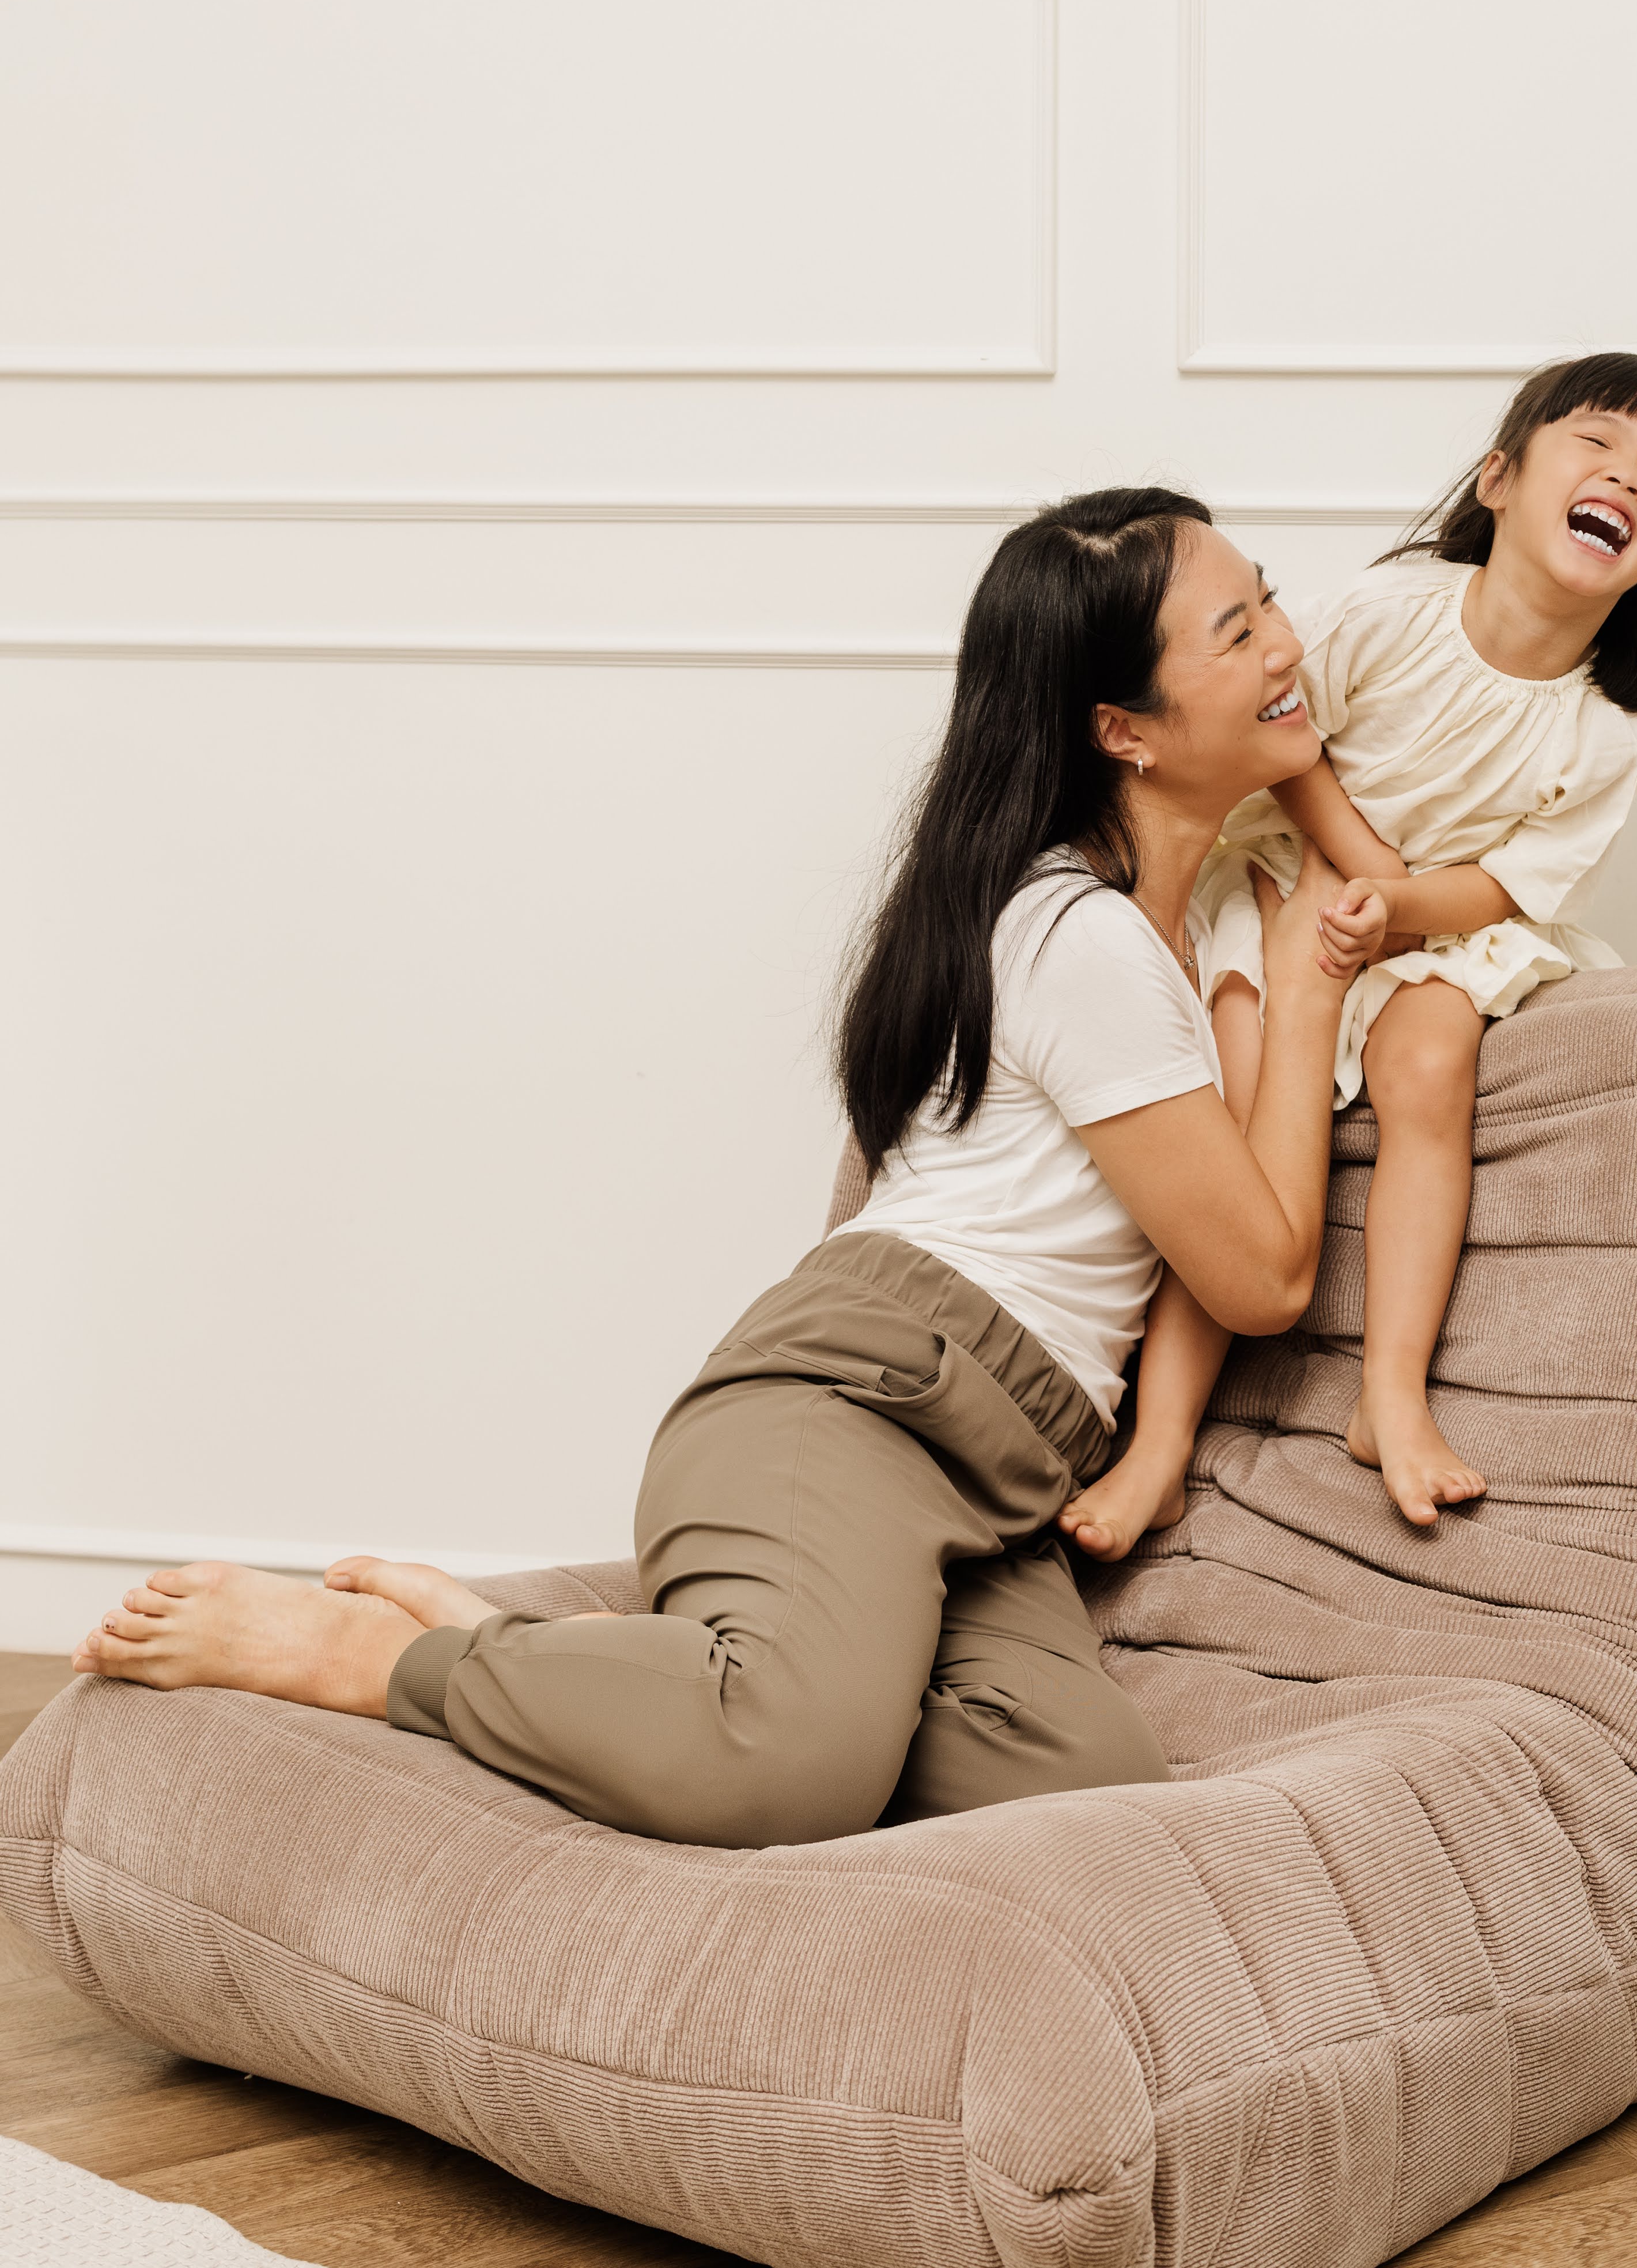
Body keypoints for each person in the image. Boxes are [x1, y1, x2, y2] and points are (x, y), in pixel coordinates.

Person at [72, 489, 1359, 1849]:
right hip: (860, 1397)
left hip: (1002, 1473)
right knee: (788, 1761)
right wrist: (1310, 992)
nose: (1285, 642)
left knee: (1078, 1793)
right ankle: (367, 1656)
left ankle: (615, 1669)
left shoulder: (1164, 927)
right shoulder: (1078, 939)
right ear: (1123, 731)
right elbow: (1262, 1273)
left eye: (1268, 597)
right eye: (1238, 630)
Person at [1060, 354, 1637, 1553]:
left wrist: (1394, 909)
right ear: (1498, 478)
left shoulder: (1605, 727)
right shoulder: (1392, 611)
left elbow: (1506, 886)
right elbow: (1288, 745)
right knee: (1237, 1092)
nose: (1624, 478)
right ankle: (1161, 1443)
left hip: (1444, 925)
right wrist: (1351, 879)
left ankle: (1391, 1395)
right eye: (1594, 446)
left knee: (1432, 1067)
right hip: (1296, 872)